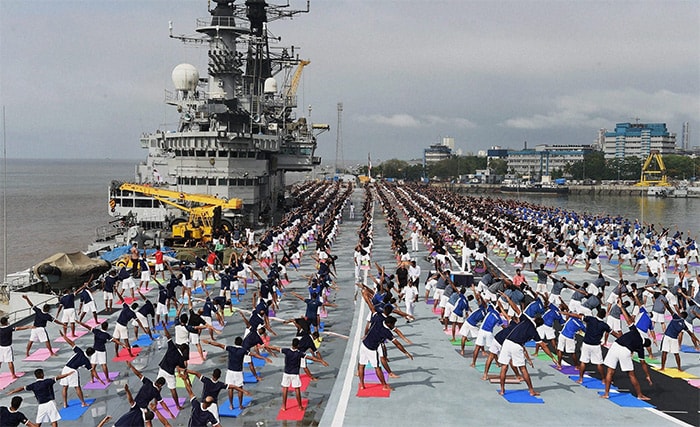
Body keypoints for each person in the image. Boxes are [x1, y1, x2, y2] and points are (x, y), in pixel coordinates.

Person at [601, 300, 653, 400]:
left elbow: (628, 320)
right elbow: (643, 363)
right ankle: (639, 395)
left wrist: (621, 307)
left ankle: (606, 394)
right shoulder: (641, 348)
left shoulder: (636, 332)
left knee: (610, 372)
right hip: (625, 351)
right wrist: (647, 375)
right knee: (631, 375)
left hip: (615, 346)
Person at [202, 337, 262, 410]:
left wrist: (209, 342)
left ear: (234, 342)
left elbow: (219, 345)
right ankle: (240, 405)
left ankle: (231, 405)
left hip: (230, 371)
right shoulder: (243, 350)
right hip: (238, 372)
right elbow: (254, 355)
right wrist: (264, 358)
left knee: (230, 389)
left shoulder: (230, 348)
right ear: (241, 343)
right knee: (240, 389)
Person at [357, 316, 413, 391]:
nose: (393, 326)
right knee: (377, 368)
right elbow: (397, 344)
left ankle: (362, 385)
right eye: (393, 324)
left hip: (363, 345)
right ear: (389, 324)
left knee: (361, 365)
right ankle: (385, 386)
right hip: (372, 349)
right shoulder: (386, 332)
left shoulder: (378, 320)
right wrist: (406, 352)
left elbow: (372, 308)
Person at [7, 368, 74, 427]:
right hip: (50, 403)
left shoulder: (33, 385)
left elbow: (22, 388)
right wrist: (68, 374)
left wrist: (13, 391)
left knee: (38, 423)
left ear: (36, 376)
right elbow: (58, 377)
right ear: (42, 374)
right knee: (54, 421)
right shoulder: (47, 381)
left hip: (41, 405)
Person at [280, 338, 327, 411]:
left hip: (286, 373)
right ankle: (299, 407)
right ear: (298, 345)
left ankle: (284, 406)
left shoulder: (287, 351)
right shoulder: (300, 353)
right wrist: (321, 361)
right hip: (295, 374)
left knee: (285, 389)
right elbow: (311, 358)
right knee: (297, 389)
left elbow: (275, 348)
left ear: (292, 344)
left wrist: (266, 346)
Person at [577, 308, 620, 383]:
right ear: (604, 316)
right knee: (599, 363)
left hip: (586, 344)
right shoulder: (604, 325)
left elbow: (577, 316)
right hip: (596, 346)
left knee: (583, 362)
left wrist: (566, 313)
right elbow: (614, 334)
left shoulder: (590, 319)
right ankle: (603, 379)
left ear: (597, 313)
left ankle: (581, 379)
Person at [57, 331, 97, 408]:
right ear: (91, 354)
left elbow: (71, 343)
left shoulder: (79, 351)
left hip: (65, 368)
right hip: (72, 371)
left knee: (65, 387)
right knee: (77, 387)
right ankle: (83, 403)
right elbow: (92, 371)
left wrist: (64, 336)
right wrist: (98, 379)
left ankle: (65, 404)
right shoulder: (86, 361)